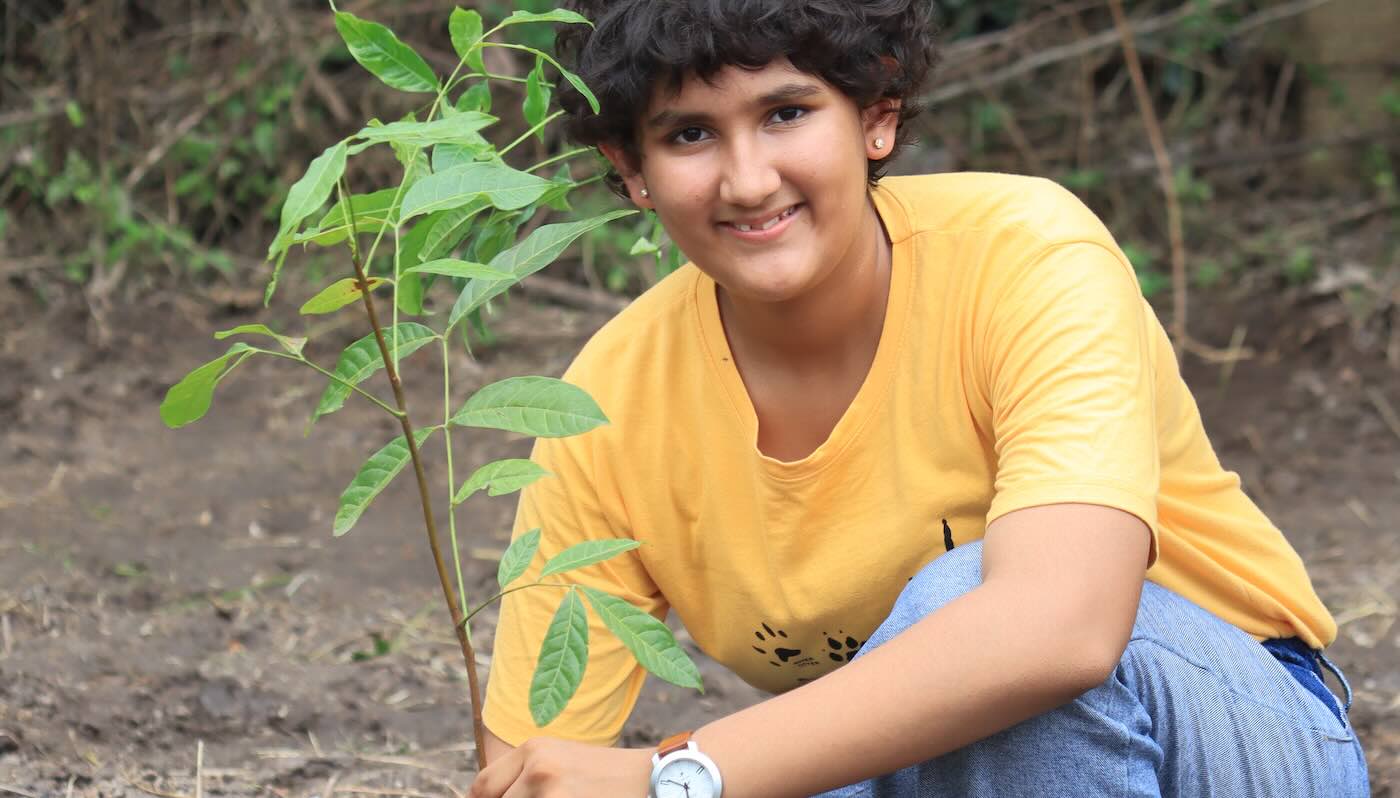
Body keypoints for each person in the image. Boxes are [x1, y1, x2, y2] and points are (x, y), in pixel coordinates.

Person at [468, 2, 1370, 796]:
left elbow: (1060, 629)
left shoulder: (1025, 256)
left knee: (973, 608)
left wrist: (677, 775)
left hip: (1235, 731)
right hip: (905, 775)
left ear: (877, 116)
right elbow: (535, 765)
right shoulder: (607, 401)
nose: (747, 180)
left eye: (786, 113)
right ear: (632, 168)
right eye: (690, 135)